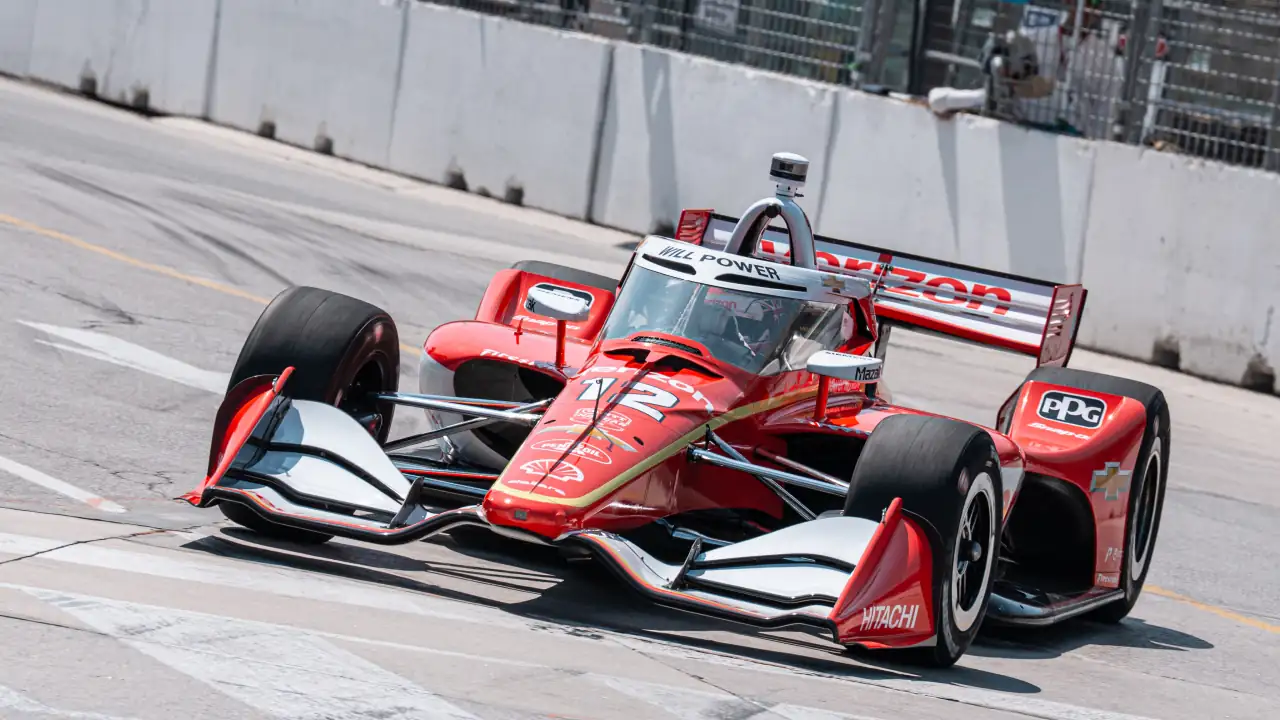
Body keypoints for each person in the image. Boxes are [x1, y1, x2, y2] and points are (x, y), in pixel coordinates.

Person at [927, 0, 1125, 139]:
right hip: (1023, 125)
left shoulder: (1106, 61)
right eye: (1083, 1)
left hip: (1073, 138)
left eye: (1096, 3)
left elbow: (1104, 120)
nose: (1088, 9)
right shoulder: (1035, 39)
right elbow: (938, 100)